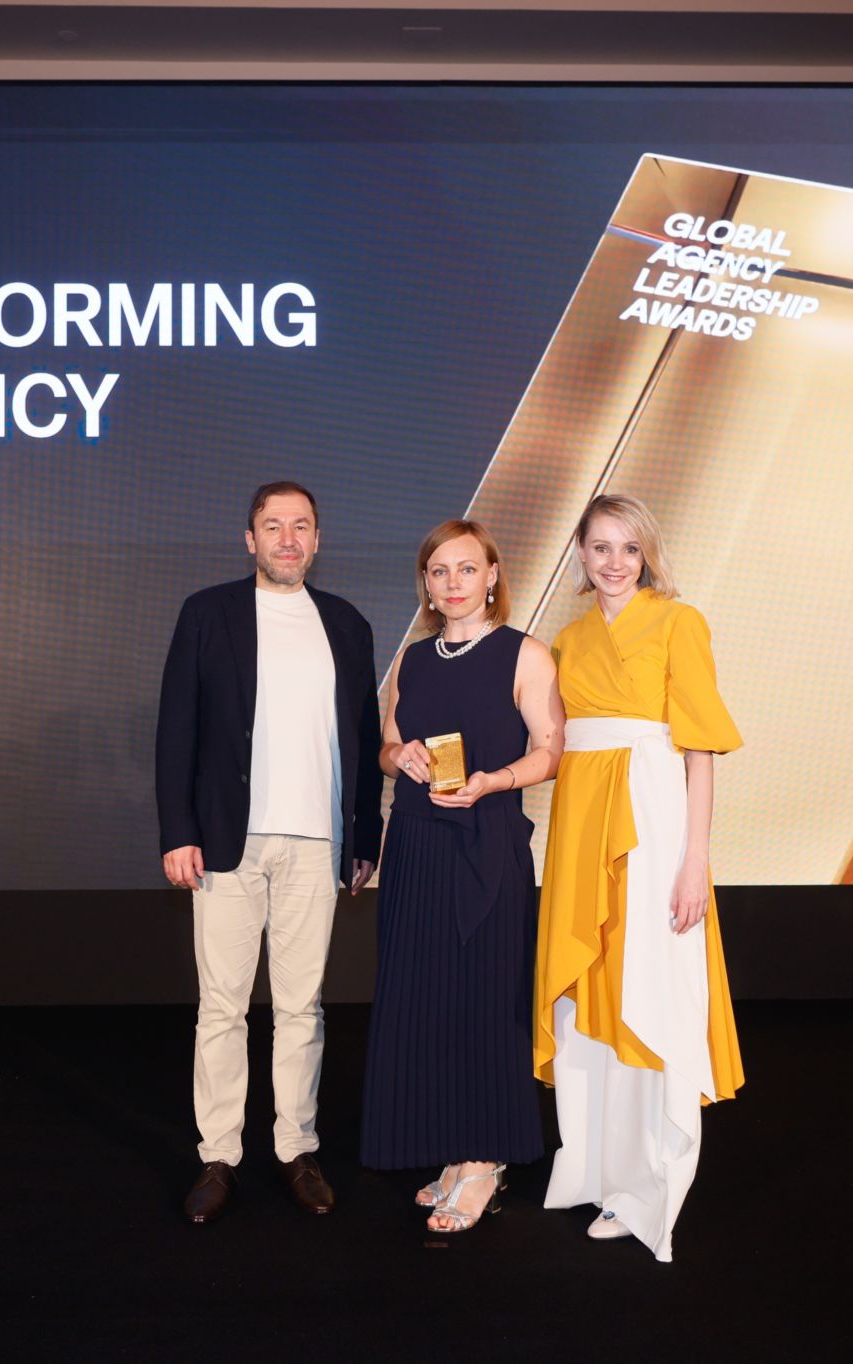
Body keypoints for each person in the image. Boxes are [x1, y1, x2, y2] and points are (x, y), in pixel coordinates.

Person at [155, 481, 383, 1224]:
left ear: (317, 539)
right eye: (274, 526)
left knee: (301, 1008)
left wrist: (364, 835)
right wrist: (178, 830)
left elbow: (362, 734)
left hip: (316, 844)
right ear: (250, 539)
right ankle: (219, 1155)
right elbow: (177, 729)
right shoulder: (207, 613)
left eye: (301, 526)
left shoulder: (346, 624)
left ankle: (296, 1149)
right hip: (227, 842)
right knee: (222, 1007)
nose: (288, 538)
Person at [535, 492, 745, 1262]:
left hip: (652, 826)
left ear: (647, 553)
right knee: (590, 994)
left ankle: (648, 1186)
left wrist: (695, 859)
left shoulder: (679, 622)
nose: (615, 562)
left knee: (646, 992)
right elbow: (551, 741)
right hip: (579, 829)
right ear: (581, 555)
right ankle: (598, 1169)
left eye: (629, 547)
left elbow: (701, 751)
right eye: (601, 548)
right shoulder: (566, 639)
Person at [360, 520, 562, 1234]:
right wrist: (400, 758)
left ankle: (484, 1160)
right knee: (426, 1000)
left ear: (493, 576)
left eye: (467, 568)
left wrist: (493, 781)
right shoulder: (412, 659)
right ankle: (453, 1152)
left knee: (483, 999)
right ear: (426, 582)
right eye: (439, 571)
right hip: (416, 846)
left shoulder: (524, 653)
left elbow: (552, 751)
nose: (453, 583)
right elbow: (387, 744)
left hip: (487, 846)